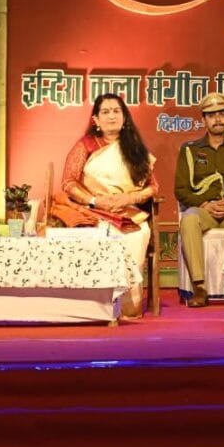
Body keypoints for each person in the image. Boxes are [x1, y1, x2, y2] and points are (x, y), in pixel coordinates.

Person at [53, 93, 159, 319]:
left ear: (125, 117)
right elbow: (68, 182)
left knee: (137, 235)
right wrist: (95, 200)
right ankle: (95, 306)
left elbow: (153, 187)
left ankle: (128, 307)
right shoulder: (86, 145)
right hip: (93, 212)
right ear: (96, 119)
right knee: (99, 235)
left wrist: (128, 198)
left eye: (116, 111)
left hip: (129, 213)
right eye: (106, 112)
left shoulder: (135, 148)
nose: (112, 116)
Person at [173, 92, 224, 307]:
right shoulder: (190, 149)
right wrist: (204, 204)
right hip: (204, 212)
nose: (217, 119)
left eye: (222, 114)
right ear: (203, 120)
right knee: (189, 219)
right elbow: (181, 190)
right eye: (211, 115)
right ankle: (199, 287)